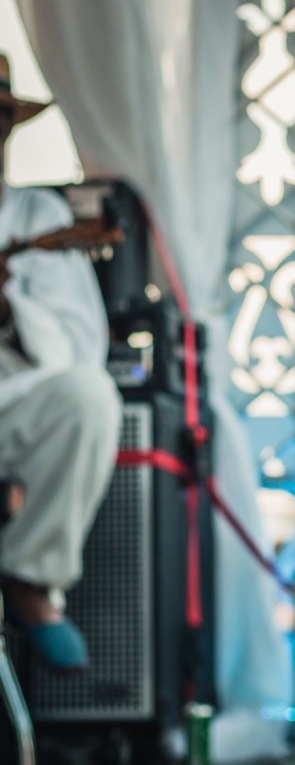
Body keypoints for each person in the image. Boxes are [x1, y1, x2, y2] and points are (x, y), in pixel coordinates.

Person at [0, 53, 121, 671]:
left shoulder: (37, 217)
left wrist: (8, 309)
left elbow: (76, 343)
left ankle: (30, 576)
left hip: (15, 406)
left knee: (90, 396)